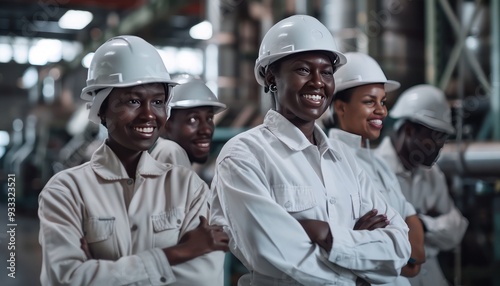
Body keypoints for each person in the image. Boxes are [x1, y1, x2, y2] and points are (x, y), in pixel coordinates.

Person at [209, 15, 411, 286]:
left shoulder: (344, 159)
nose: (318, 82)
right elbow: (271, 253)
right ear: (271, 78)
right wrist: (358, 267)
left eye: (326, 72)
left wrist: (329, 237)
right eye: (303, 70)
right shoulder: (244, 156)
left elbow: (399, 247)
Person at [38, 35, 229, 286]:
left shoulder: (188, 187)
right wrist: (176, 253)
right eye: (133, 101)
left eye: (158, 102)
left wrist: (100, 273)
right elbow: (66, 279)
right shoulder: (65, 191)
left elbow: (203, 278)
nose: (149, 114)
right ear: (101, 110)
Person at [327, 52, 426, 285]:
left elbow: (412, 228)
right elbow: (345, 248)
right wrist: (397, 252)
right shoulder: (329, 160)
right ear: (341, 107)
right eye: (369, 102)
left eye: (383, 101)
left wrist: (396, 252)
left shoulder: (379, 163)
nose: (382, 111)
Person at [375, 84, 469, 286]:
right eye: (433, 139)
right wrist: (434, 228)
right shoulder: (373, 172)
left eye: (442, 140)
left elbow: (456, 230)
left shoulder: (432, 175)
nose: (438, 149)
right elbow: (381, 241)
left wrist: (422, 225)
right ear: (409, 130)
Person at [149, 78, 227, 168]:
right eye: (193, 119)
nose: (207, 130)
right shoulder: (169, 151)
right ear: (165, 124)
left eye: (209, 118)